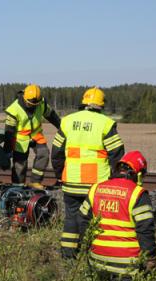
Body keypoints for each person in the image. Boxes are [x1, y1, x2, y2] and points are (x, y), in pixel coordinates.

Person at [79, 151, 156, 281]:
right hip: (126, 261)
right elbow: (145, 229)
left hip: (97, 257)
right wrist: (150, 257)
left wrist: (87, 245)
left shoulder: (97, 188)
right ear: (138, 173)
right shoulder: (138, 194)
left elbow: (82, 219)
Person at [52, 87, 125, 258]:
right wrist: (116, 179)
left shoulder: (67, 121)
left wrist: (58, 174)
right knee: (94, 219)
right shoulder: (105, 124)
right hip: (96, 184)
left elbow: (56, 152)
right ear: (101, 105)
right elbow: (117, 155)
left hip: (71, 181)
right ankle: (93, 253)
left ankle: (68, 255)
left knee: (71, 217)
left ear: (83, 102)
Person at [4, 84, 61, 188]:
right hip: (20, 139)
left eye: (35, 104)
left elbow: (51, 116)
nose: (33, 106)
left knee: (44, 154)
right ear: (24, 98)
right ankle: (17, 187)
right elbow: (9, 131)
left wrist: (61, 127)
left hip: (36, 135)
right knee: (20, 164)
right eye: (30, 104)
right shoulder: (14, 109)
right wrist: (7, 150)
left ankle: (35, 182)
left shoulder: (41, 103)